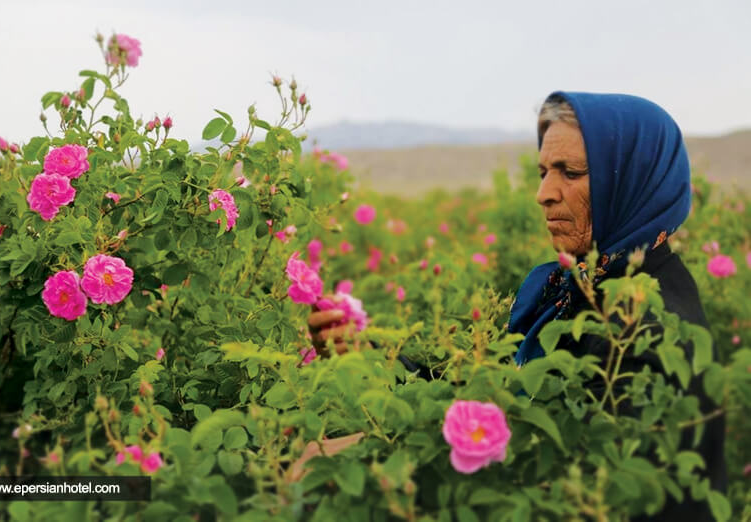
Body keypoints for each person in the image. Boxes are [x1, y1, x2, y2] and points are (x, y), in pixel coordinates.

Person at [306, 92, 727, 519]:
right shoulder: (566, 288)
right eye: (543, 172)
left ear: (636, 182)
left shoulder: (648, 329)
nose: (544, 193)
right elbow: (480, 399)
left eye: (572, 172)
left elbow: (577, 489)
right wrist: (370, 357)